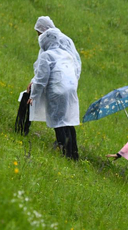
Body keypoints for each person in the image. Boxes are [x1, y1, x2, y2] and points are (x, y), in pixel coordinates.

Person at [27, 16, 81, 160]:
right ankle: (73, 153)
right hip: (71, 89)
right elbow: (75, 68)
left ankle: (64, 150)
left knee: (58, 121)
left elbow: (41, 79)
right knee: (68, 121)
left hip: (57, 90)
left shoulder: (47, 55)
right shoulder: (65, 53)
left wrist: (33, 95)